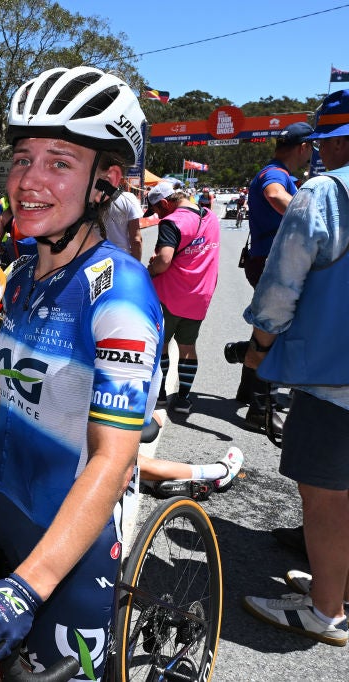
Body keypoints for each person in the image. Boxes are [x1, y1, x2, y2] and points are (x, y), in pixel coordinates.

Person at [0, 66, 162, 679]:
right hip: (1, 513)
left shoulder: (118, 291)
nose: (29, 181)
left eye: (60, 162)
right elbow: (12, 395)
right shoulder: (18, 276)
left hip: (70, 549)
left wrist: (29, 586)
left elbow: (112, 459)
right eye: (22, 158)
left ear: (105, 183)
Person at [241, 89, 349, 648]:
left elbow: (281, 289)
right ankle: (338, 582)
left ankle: (325, 611)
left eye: (326, 143)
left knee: (326, 494)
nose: (319, 154)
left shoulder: (325, 193)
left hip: (334, 377)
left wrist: (259, 348)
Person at [237, 121, 314, 428]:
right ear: (303, 147)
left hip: (266, 259)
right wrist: (315, 218)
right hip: (274, 261)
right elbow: (274, 194)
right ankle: (259, 408)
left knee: (265, 328)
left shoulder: (277, 169)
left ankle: (248, 390)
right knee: (276, 331)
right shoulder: (276, 173)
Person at [145, 180, 221, 415]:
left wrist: (150, 269)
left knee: (162, 345)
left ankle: (159, 395)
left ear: (165, 203)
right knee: (188, 347)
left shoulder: (171, 222)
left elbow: (164, 260)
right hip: (200, 295)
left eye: (157, 210)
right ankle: (183, 398)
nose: (157, 215)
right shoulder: (210, 217)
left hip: (170, 295)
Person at [104, 178, 143, 259]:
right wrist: (136, 266)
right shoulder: (129, 198)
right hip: (122, 258)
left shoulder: (92, 199)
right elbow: (136, 240)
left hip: (97, 258)